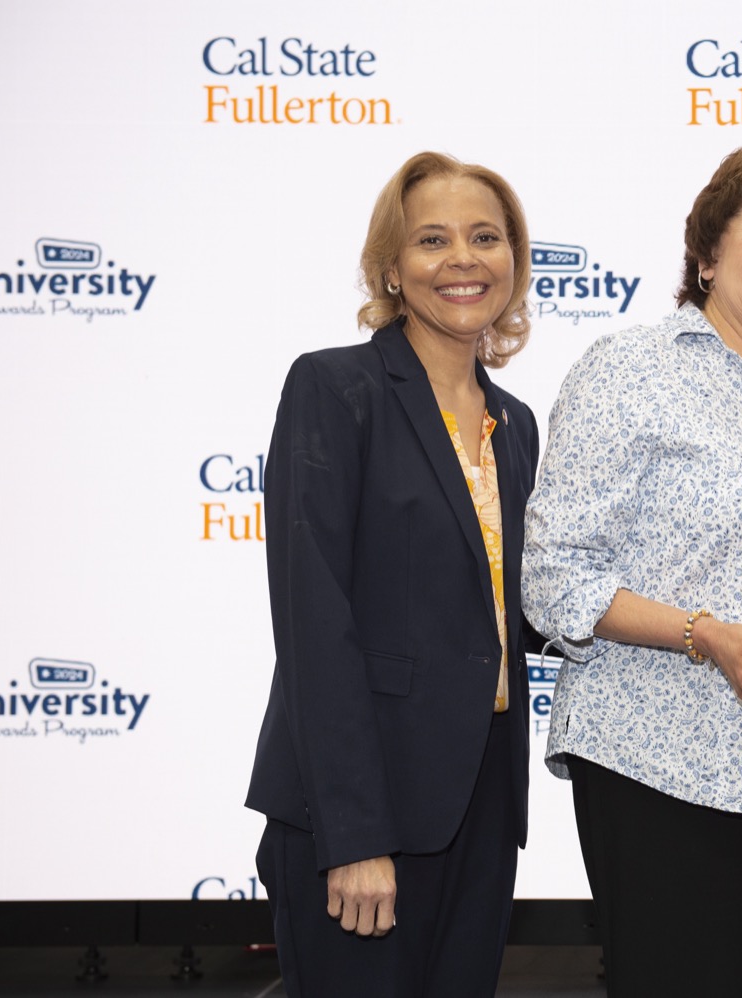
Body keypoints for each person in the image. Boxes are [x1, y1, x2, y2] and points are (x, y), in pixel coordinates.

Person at [521, 139, 742, 998]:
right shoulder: (631, 370)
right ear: (708, 256)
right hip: (657, 760)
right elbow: (554, 574)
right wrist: (698, 633)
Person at [245, 151, 538, 997]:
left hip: (481, 802)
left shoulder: (513, 425)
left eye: (486, 237)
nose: (462, 260)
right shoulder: (336, 388)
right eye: (432, 240)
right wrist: (354, 833)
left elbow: (504, 616)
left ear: (514, 262)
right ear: (392, 268)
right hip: (364, 810)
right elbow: (314, 624)